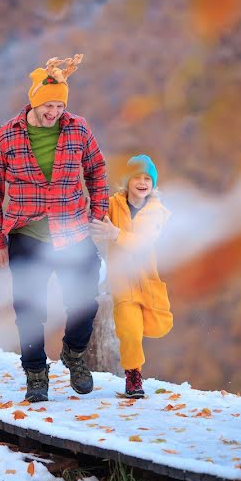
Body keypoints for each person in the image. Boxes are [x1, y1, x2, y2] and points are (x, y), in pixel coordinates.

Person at [0, 54, 108, 402]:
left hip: (74, 233)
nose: (54, 112)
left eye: (58, 105)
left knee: (84, 302)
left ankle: (74, 353)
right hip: (27, 234)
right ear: (33, 103)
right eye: (47, 105)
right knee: (28, 310)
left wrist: (98, 213)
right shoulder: (4, 137)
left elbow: (96, 171)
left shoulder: (78, 128)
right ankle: (36, 373)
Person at [89, 154, 172, 398]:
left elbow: (143, 243)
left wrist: (114, 234)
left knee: (158, 326)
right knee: (129, 330)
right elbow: (98, 225)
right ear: (127, 180)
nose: (143, 182)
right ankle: (133, 376)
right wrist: (99, 230)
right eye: (137, 177)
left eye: (148, 178)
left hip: (147, 279)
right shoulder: (114, 204)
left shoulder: (157, 212)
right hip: (122, 281)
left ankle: (135, 349)